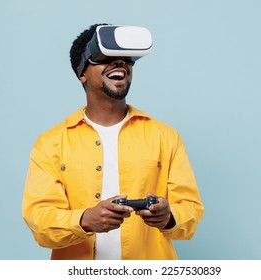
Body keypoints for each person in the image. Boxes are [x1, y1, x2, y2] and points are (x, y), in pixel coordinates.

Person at [22, 23, 204, 260]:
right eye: (105, 57)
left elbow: (190, 210)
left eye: (126, 58)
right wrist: (86, 219)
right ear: (82, 73)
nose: (120, 63)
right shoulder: (50, 144)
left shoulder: (165, 137)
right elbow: (40, 221)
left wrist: (168, 217)